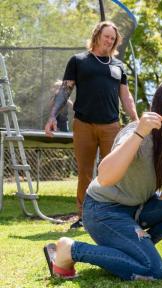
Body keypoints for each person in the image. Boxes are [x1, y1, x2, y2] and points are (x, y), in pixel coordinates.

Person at [43, 78, 162, 280]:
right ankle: (70, 250)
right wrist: (139, 133)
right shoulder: (138, 131)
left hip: (136, 208)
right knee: (153, 271)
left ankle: (133, 249)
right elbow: (106, 177)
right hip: (104, 210)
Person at [44, 21, 139, 229]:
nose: (109, 41)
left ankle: (112, 215)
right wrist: (52, 116)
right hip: (83, 124)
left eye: (113, 38)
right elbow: (65, 91)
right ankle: (84, 216)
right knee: (85, 172)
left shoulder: (118, 66)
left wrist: (136, 120)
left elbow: (126, 96)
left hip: (111, 127)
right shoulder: (78, 61)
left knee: (113, 172)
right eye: (106, 36)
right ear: (96, 36)